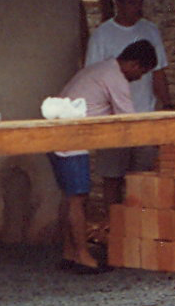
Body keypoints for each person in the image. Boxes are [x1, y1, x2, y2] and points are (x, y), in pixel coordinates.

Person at [48, 39, 158, 274]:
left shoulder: (101, 68)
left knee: (69, 197)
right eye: (142, 71)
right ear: (133, 64)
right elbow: (129, 120)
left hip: (57, 134)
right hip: (72, 138)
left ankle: (69, 252)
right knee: (78, 198)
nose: (139, 78)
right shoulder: (115, 77)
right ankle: (83, 256)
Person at [85, 0, 172, 201]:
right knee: (112, 177)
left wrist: (168, 105)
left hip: (144, 116)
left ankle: (137, 227)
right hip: (114, 120)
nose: (137, 9)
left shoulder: (150, 30)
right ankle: (113, 226)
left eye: (139, 3)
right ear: (118, 3)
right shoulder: (102, 35)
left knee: (143, 178)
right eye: (132, 3)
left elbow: (159, 73)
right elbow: (94, 77)